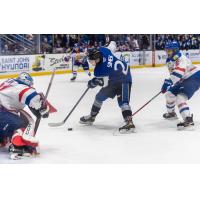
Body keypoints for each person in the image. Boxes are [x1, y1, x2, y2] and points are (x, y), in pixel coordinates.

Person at [80, 41, 135, 133]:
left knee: (123, 103)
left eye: (91, 60)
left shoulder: (99, 71)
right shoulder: (104, 50)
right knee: (99, 97)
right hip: (114, 78)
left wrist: (93, 83)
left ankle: (129, 123)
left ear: (97, 59)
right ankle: (92, 117)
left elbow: (104, 83)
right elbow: (113, 43)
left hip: (124, 79)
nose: (90, 62)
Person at [0, 72, 49, 159]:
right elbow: (34, 100)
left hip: (3, 111)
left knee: (7, 124)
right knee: (22, 125)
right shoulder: (23, 88)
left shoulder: (10, 82)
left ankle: (2, 140)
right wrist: (44, 107)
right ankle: (18, 147)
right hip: (2, 113)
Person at [161, 41, 200, 130]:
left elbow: (178, 73)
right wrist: (170, 82)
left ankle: (188, 119)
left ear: (175, 50)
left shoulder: (181, 58)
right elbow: (175, 75)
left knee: (180, 97)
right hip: (184, 79)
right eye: (166, 50)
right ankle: (171, 114)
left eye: (169, 50)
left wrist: (168, 81)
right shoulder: (170, 60)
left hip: (194, 77)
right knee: (169, 94)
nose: (167, 52)